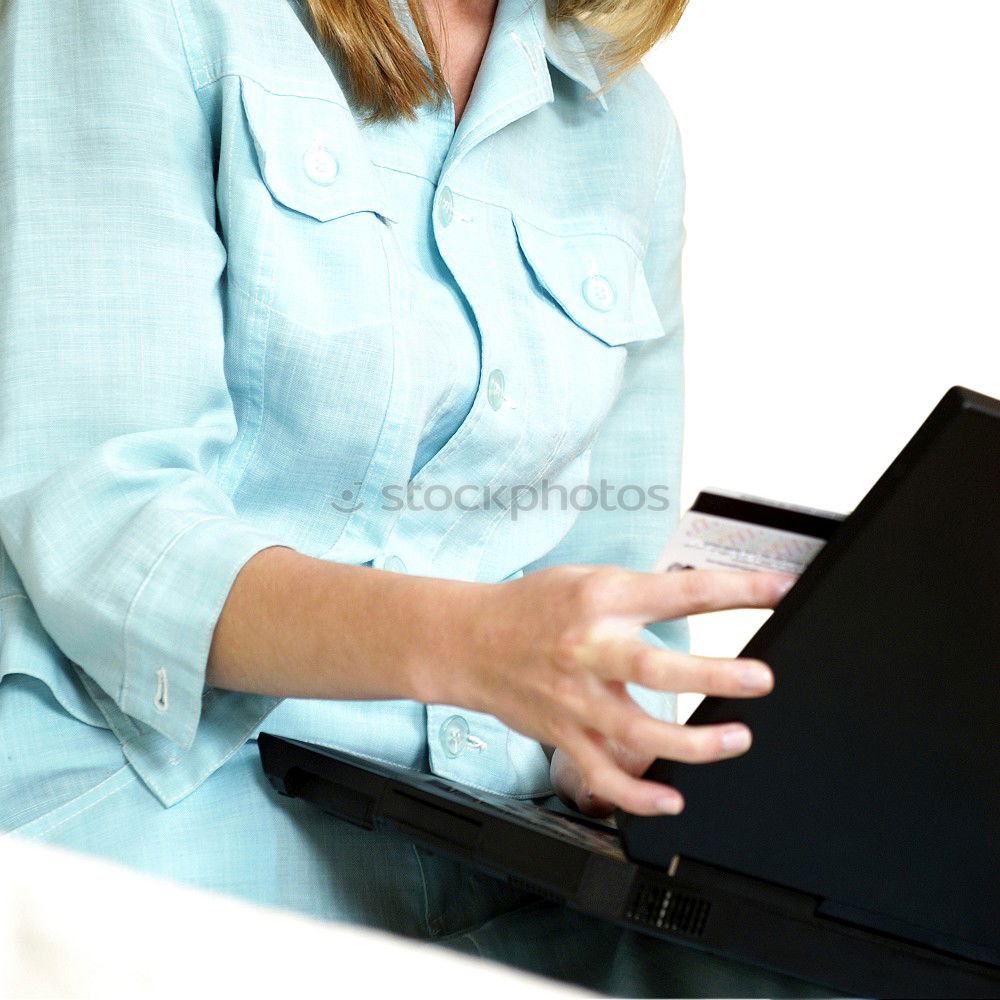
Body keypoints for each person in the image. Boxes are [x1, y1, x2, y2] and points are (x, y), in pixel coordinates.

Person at [0, 0, 841, 995]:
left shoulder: (626, 128)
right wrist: (472, 642)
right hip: (180, 812)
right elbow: (105, 522)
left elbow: (615, 579)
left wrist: (613, 742)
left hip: (503, 857)